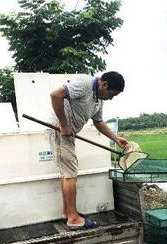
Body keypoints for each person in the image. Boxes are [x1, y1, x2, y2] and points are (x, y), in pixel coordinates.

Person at [50, 71, 128, 230]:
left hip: (67, 133)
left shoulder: (99, 100)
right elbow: (55, 94)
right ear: (104, 84)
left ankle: (67, 213)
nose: (111, 98)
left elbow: (98, 122)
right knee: (70, 173)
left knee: (68, 173)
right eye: (111, 94)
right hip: (58, 130)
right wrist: (63, 125)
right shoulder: (85, 84)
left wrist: (115, 138)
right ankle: (72, 217)